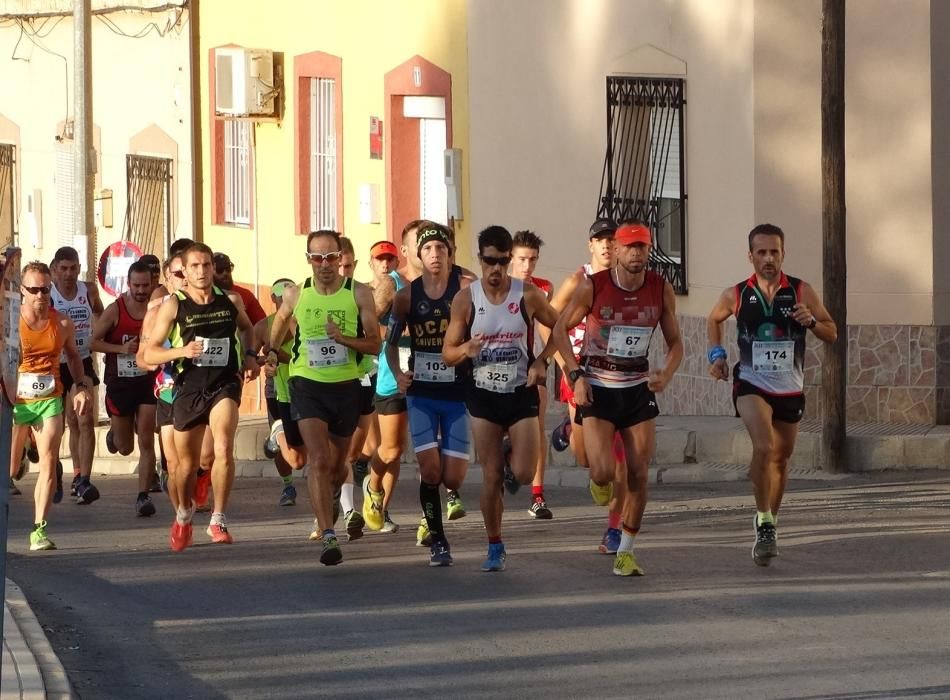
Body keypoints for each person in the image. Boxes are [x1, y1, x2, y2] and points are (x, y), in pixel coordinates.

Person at [544, 222, 683, 576]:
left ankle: (626, 549)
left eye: (642, 247)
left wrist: (665, 373)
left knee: (638, 474)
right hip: (598, 386)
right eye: (629, 247)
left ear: (649, 250)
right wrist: (574, 375)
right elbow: (559, 329)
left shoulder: (660, 288)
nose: (636, 254)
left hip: (637, 388)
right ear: (616, 252)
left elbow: (676, 343)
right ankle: (597, 479)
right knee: (603, 471)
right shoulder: (594, 286)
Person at [706, 223, 836, 566]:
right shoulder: (736, 294)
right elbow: (714, 319)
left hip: (789, 387)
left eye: (774, 252)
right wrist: (716, 355)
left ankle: (770, 524)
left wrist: (810, 322)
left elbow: (832, 332)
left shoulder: (800, 291)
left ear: (783, 253)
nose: (768, 258)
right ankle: (763, 518)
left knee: (781, 458)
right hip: (751, 382)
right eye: (761, 252)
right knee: (764, 446)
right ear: (750, 256)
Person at [443, 226, 560, 572]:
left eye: (502, 262)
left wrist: (543, 360)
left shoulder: (529, 295)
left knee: (523, 473)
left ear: (509, 260)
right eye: (490, 261)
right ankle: (494, 544)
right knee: (492, 475)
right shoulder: (467, 299)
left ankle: (513, 453)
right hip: (482, 395)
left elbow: (560, 326)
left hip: (520, 391)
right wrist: (466, 348)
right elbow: (448, 352)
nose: (496, 269)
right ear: (480, 259)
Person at [270, 230, 380, 566]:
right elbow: (279, 321)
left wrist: (343, 339)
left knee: (336, 466)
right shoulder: (296, 293)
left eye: (331, 257)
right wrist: (272, 351)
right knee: (317, 460)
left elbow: (374, 344)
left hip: (346, 385)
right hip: (307, 383)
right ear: (308, 260)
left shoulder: (359, 293)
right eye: (317, 258)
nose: (325, 264)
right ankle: (329, 534)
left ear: (341, 258)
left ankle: (331, 495)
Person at [142, 242, 258, 551]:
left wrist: (249, 355)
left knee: (222, 446)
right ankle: (183, 515)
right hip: (187, 387)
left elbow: (248, 329)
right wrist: (182, 350)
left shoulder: (230, 300)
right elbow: (150, 351)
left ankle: (218, 518)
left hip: (224, 384)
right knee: (184, 467)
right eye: (195, 266)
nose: (202, 271)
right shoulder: (174, 305)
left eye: (207, 265)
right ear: (184, 271)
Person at [379, 223, 474, 566]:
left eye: (441, 249)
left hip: (457, 393)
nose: (435, 255)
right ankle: (438, 540)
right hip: (421, 393)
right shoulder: (406, 296)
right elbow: (389, 343)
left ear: (451, 254)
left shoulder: (466, 289)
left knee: (453, 477)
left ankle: (443, 510)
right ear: (418, 256)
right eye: (428, 249)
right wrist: (398, 374)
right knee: (430, 471)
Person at [545, 219, 628, 553]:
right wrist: (562, 364)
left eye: (612, 240)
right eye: (600, 240)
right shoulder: (576, 281)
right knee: (587, 460)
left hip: (616, 378)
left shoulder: (627, 282)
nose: (606, 246)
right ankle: (568, 431)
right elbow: (550, 321)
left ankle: (613, 529)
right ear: (590, 245)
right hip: (579, 372)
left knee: (618, 456)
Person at [10, 261, 91, 550]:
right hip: (15, 402)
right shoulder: (10, 322)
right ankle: (24, 449)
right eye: (34, 290)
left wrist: (80, 386)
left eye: (45, 289)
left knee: (48, 463)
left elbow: (74, 357)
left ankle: (38, 531)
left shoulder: (62, 323)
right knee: (9, 470)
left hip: (49, 399)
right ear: (22, 291)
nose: (41, 295)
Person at [91, 260, 159, 517]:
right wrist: (121, 349)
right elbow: (92, 342)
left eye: (145, 285)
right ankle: (115, 433)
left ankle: (143, 496)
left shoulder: (159, 308)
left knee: (146, 439)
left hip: (147, 380)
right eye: (136, 285)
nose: (141, 290)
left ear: (152, 283)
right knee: (125, 447)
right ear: (128, 284)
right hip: (120, 383)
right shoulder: (115, 310)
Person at [363, 238, 411, 535]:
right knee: (381, 448)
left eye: (390, 259)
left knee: (397, 448)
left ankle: (381, 505)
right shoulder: (375, 291)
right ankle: (370, 486)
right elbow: (366, 329)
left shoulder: (407, 284)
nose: (385, 264)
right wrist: (393, 331)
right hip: (378, 373)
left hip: (411, 371)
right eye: (380, 259)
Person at [50, 246, 103, 504]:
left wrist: (98, 337)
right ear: (54, 271)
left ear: (79, 268)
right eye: (63, 269)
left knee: (84, 421)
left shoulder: (89, 290)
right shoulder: (48, 294)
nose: (69, 274)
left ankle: (85, 480)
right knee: (62, 423)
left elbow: (102, 315)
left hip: (81, 360)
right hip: (55, 364)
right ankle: (65, 470)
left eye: (73, 268)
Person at [507, 230, 554, 519]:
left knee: (537, 427)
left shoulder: (543, 288)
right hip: (499, 367)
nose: (528, 266)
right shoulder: (497, 286)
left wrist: (546, 362)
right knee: (503, 428)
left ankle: (538, 497)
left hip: (532, 366)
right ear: (511, 258)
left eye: (533, 260)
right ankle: (508, 456)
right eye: (522, 259)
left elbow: (550, 328)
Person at [255, 279, 300, 507]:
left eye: (287, 294)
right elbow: (250, 355)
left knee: (299, 450)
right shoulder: (263, 326)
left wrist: (283, 357)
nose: (284, 299)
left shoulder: (300, 320)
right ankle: (287, 485)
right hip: (276, 387)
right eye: (279, 295)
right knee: (284, 443)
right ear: (273, 298)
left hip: (303, 385)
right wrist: (262, 360)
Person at [212, 252, 267, 325]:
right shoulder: (204, 295)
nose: (225, 273)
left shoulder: (245, 294)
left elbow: (262, 323)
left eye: (228, 268)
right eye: (220, 269)